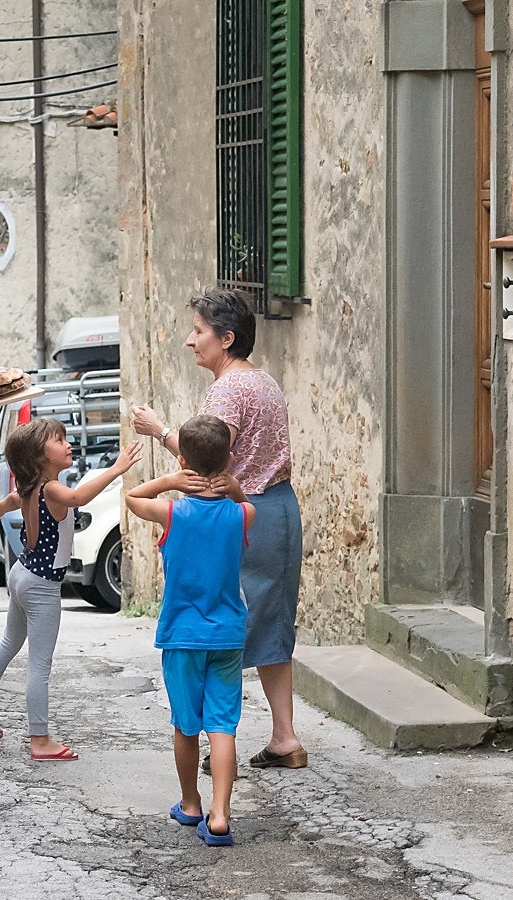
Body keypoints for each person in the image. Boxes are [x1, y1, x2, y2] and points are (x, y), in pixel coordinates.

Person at [131, 286, 306, 771]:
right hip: (278, 509)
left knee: (219, 625)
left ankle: (219, 741)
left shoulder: (229, 389)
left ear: (226, 339)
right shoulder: (264, 382)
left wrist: (159, 429)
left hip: (239, 513)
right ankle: (284, 737)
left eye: (199, 331)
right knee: (272, 621)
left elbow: (207, 466)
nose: (191, 341)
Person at [0, 419, 142, 760]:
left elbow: (15, 497)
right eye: (59, 440)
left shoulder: (33, 487)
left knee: (9, 643)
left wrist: (1, 507)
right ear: (38, 457)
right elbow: (78, 496)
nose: (68, 443)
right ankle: (40, 739)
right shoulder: (53, 489)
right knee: (39, 665)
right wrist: (117, 468)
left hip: (21, 573)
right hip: (41, 585)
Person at [125, 415, 256, 846]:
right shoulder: (241, 515)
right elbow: (245, 503)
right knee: (223, 725)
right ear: (229, 459)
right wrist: (231, 484)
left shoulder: (171, 511)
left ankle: (191, 803)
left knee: (186, 724)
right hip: (228, 636)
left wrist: (170, 480)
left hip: (182, 635)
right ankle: (221, 813)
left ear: (183, 460)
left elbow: (132, 497)